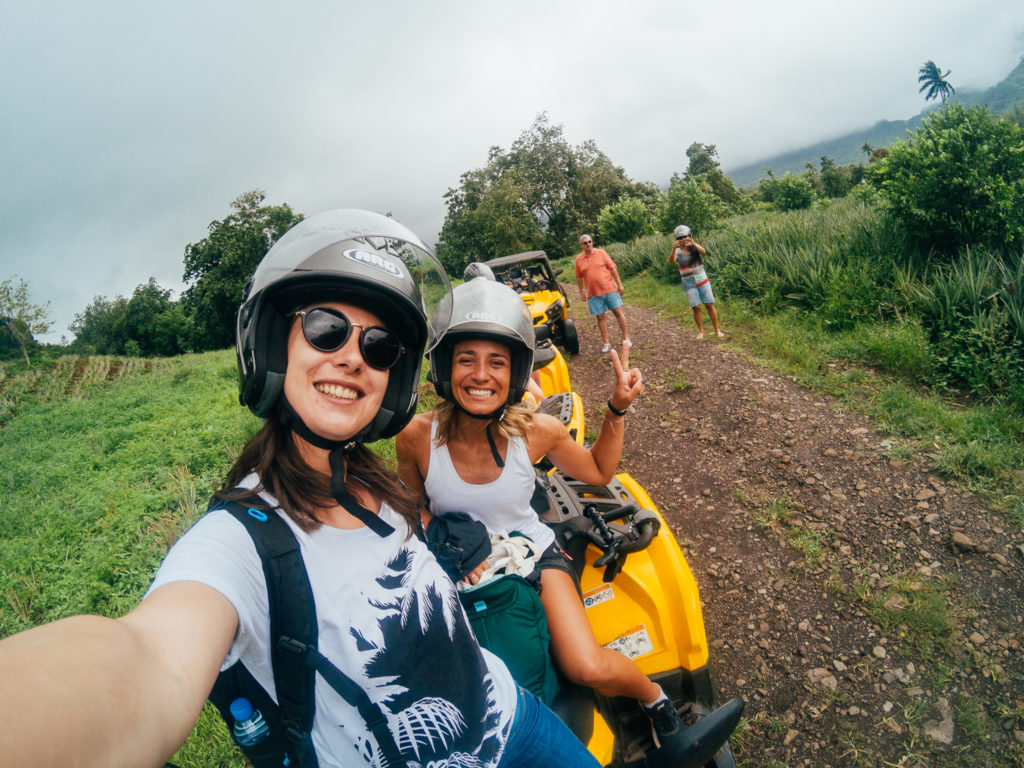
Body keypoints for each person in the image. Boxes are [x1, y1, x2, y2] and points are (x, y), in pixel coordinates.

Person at [0, 210, 600, 768]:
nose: (352, 358)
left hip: (513, 718)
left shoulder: (378, 484)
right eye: (324, 328)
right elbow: (146, 660)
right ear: (270, 345)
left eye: (379, 345)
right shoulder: (240, 543)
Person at [396, 278, 695, 762]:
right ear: (443, 366)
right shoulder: (415, 437)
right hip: (461, 568)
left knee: (585, 665)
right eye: (466, 359)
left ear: (514, 373)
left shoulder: (536, 431)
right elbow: (414, 506)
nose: (480, 374)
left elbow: (599, 471)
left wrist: (617, 407)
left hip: (534, 556)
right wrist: (444, 536)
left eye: (496, 362)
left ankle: (655, 701)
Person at [574, 234, 631, 353]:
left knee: (618, 312)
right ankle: (606, 343)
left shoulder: (601, 253)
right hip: (593, 293)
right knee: (600, 317)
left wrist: (619, 284)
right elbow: (579, 277)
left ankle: (626, 338)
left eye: (590, 241)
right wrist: (581, 292)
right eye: (585, 243)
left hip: (609, 289)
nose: (588, 244)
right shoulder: (578, 259)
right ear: (581, 245)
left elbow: (613, 269)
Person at [669, 224, 724, 340]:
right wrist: (673, 248)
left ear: (690, 236)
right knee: (696, 307)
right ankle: (701, 331)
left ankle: (717, 330)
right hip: (688, 283)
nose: (682, 239)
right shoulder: (678, 250)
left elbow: (703, 251)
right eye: (679, 238)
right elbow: (671, 261)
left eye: (685, 236)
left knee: (709, 304)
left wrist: (692, 243)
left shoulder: (694, 247)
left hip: (702, 279)